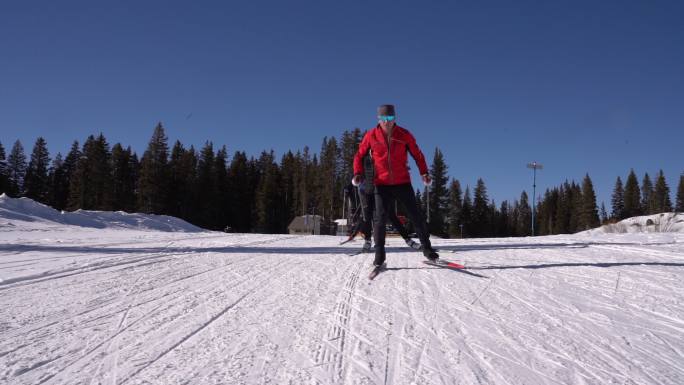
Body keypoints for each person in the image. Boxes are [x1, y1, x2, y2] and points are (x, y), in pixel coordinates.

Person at [353, 104, 438, 268]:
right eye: (383, 118)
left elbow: (418, 155)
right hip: (382, 184)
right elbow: (359, 155)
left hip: (402, 182)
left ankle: (427, 249)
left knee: (416, 216)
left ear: (394, 119)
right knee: (379, 219)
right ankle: (379, 255)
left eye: (390, 118)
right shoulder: (371, 136)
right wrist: (357, 173)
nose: (386, 122)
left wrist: (424, 173)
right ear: (379, 119)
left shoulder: (404, 135)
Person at [355, 152, 421, 252]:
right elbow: (357, 171)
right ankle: (367, 241)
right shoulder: (363, 158)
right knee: (367, 217)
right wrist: (357, 180)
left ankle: (408, 240)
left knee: (392, 216)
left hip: (381, 190)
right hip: (366, 191)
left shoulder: (382, 154)